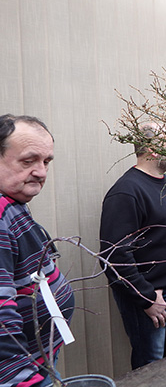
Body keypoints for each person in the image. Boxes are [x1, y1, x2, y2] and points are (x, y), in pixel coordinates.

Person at [99, 124, 166, 370]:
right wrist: (147, 298)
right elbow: (114, 256)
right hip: (150, 297)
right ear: (152, 149)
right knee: (151, 367)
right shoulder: (126, 192)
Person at [0, 114, 74, 386]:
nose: (41, 172)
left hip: (39, 357)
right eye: (28, 161)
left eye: (46, 161)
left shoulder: (11, 203)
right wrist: (23, 379)